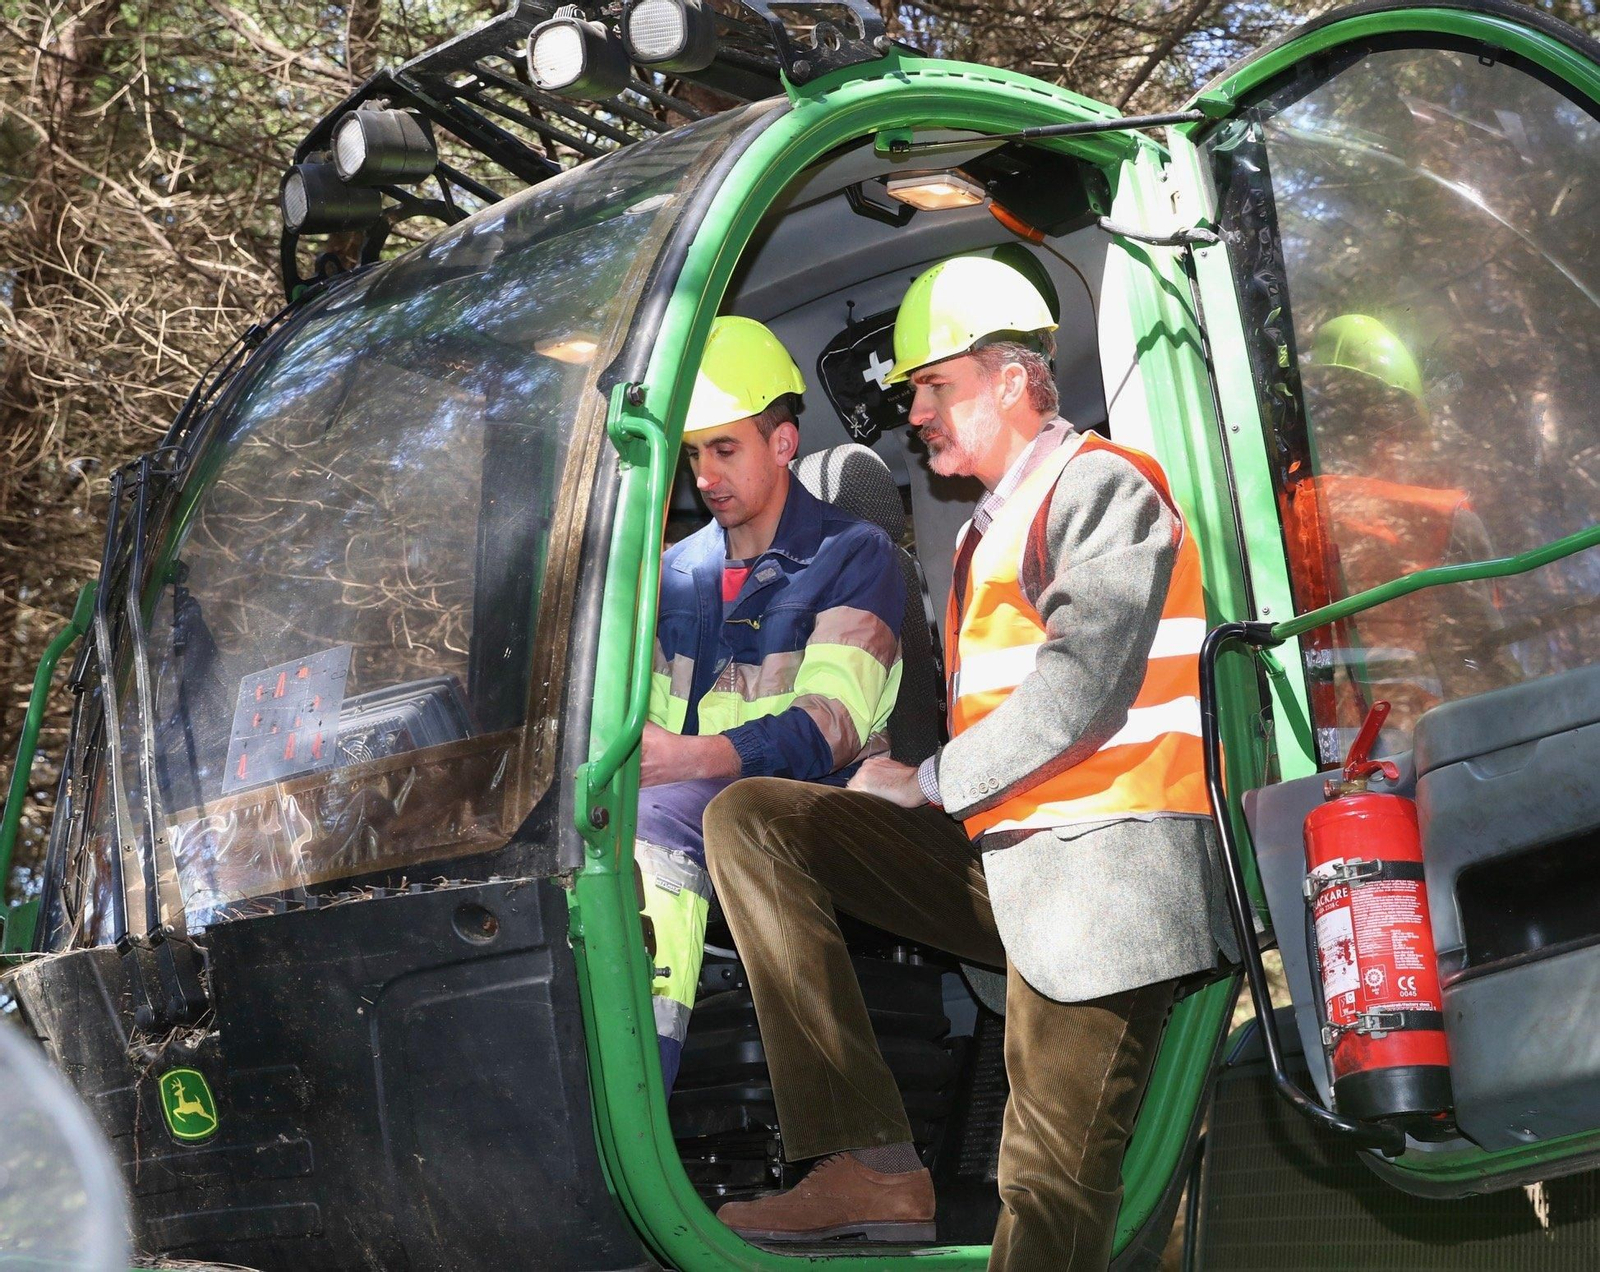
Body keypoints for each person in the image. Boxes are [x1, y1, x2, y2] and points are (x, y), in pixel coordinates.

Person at [704, 257, 1235, 1267]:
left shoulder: (1099, 488)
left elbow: (1082, 691)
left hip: (1106, 869)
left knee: (1044, 1184)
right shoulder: (984, 537)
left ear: (1011, 380)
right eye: (913, 394)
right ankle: (864, 1157)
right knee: (760, 820)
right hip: (1009, 864)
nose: (916, 413)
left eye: (933, 385)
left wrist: (927, 780)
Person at [637, 314, 906, 1095]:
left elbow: (832, 723)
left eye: (726, 448)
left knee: (656, 821)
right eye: (694, 455)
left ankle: (641, 1080)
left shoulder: (854, 555)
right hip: (692, 797)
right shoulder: (669, 573)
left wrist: (693, 759)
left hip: (811, 801)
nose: (705, 475)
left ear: (783, 443)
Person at [1293, 313, 1519, 739]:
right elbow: (1486, 662)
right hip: (1407, 741)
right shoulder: (1443, 519)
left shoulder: (1277, 509)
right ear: (1401, 430)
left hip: (1304, 737)